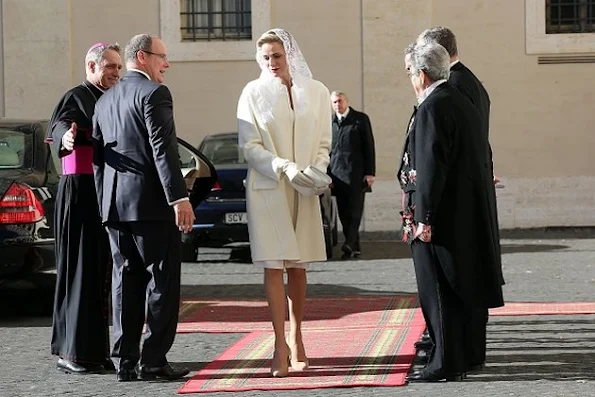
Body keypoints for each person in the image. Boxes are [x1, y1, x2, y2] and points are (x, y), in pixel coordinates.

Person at [398, 42, 504, 382]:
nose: (410, 79)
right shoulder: (460, 101)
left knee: (439, 291)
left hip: (439, 216)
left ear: (423, 74)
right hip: (461, 211)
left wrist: (424, 218)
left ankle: (443, 363)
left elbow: (431, 167)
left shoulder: (433, 106)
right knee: (461, 288)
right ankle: (464, 355)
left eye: (410, 72)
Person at [92, 33, 194, 382]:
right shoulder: (155, 93)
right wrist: (179, 198)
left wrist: (104, 204)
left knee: (125, 284)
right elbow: (163, 149)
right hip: (151, 207)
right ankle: (153, 361)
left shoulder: (104, 101)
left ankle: (125, 362)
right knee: (162, 283)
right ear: (142, 57)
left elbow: (98, 161)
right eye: (162, 56)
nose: (166, 64)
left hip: (115, 210)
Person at [237, 28, 331, 377]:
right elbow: (249, 145)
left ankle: (298, 334)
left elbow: (323, 141)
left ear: (290, 54)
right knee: (273, 265)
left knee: (299, 264)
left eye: (277, 55)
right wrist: (282, 166)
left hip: (303, 187)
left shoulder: (318, 91)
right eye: (266, 57)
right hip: (269, 186)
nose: (272, 62)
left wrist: (316, 170)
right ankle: (279, 343)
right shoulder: (252, 92)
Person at [47, 42, 122, 375]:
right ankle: (73, 352)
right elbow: (61, 126)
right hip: (80, 192)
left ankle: (94, 352)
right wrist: (66, 138)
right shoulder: (77, 95)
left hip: (103, 193)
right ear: (91, 66)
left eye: (119, 67)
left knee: (99, 274)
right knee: (80, 272)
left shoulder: (112, 96)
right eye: (109, 66)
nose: (115, 72)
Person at [328, 91, 375, 260]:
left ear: (346, 101)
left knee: (355, 211)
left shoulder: (360, 119)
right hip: (337, 175)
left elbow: (369, 146)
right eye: (334, 102)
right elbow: (326, 152)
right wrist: (327, 176)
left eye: (339, 101)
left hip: (356, 174)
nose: (337, 105)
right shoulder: (330, 123)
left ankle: (348, 243)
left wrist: (370, 173)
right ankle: (354, 247)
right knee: (343, 213)